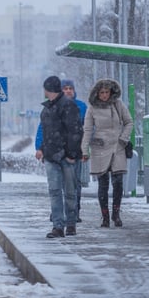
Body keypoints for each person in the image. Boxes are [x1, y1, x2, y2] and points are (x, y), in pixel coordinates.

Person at [35, 76, 83, 238]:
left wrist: (71, 154)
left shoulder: (68, 106)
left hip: (66, 157)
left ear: (49, 90)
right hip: (51, 156)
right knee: (55, 191)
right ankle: (58, 226)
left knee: (70, 191)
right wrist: (42, 149)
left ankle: (70, 223)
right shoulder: (47, 108)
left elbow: (75, 131)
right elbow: (48, 133)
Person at [81, 78, 133, 228]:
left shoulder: (118, 104)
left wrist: (123, 138)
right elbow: (88, 130)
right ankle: (105, 216)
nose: (104, 95)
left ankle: (116, 214)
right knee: (103, 185)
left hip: (118, 147)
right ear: (97, 93)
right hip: (100, 148)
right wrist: (84, 150)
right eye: (101, 92)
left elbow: (129, 122)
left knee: (118, 183)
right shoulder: (92, 109)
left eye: (107, 92)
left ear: (111, 92)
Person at [62, 79, 87, 221]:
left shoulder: (81, 106)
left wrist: (85, 147)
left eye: (70, 88)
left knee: (75, 182)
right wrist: (40, 147)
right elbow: (44, 127)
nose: (68, 91)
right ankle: (59, 210)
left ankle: (75, 211)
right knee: (60, 183)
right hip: (58, 150)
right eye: (65, 88)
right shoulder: (55, 106)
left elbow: (88, 127)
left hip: (76, 150)